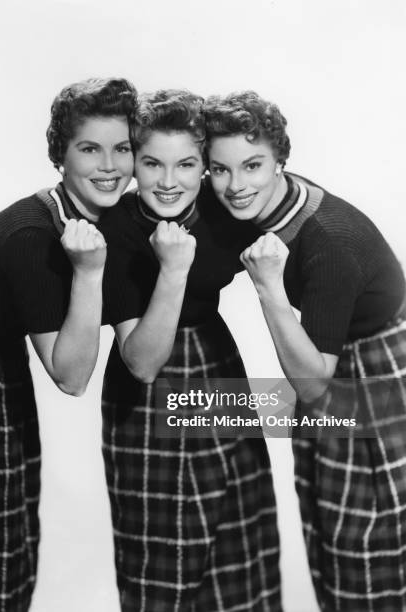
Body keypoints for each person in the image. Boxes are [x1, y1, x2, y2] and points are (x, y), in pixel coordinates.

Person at [0, 77, 136, 611]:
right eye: (90, 148)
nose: (109, 165)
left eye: (124, 148)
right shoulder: (33, 235)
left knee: (1, 518)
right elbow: (71, 376)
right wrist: (89, 275)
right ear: (59, 156)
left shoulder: (91, 213)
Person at [204, 90, 406, 611]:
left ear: (280, 160)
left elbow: (314, 386)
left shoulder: (328, 242)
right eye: (219, 170)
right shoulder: (264, 197)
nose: (236, 185)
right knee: (323, 514)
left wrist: (269, 287)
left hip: (377, 366)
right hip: (336, 353)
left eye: (252, 165)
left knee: (365, 534)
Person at [100, 90, 282, 612]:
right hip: (148, 389)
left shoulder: (224, 205)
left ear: (205, 167)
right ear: (134, 160)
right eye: (152, 162)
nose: (167, 180)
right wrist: (174, 267)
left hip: (216, 361)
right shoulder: (115, 229)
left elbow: (280, 189)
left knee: (239, 528)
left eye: (186, 164)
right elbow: (141, 362)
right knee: (165, 552)